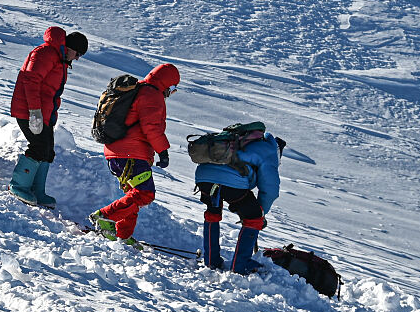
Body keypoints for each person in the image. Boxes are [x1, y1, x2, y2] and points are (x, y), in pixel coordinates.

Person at [89, 63, 180, 248]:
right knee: (144, 194)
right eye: (172, 88)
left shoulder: (137, 88)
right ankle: (105, 217)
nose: (171, 93)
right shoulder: (152, 94)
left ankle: (123, 235)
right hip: (131, 154)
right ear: (166, 83)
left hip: (117, 153)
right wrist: (163, 151)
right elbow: (151, 127)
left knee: (133, 194)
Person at [8, 27, 88, 207]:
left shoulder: (60, 60)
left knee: (47, 150)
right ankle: (19, 185)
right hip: (28, 110)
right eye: (78, 54)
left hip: (42, 113)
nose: (77, 58)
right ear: (70, 47)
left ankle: (37, 191)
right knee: (38, 146)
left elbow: (51, 92)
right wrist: (34, 111)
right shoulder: (46, 53)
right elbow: (30, 80)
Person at [195, 126, 283, 273]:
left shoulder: (241, 140)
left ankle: (211, 261)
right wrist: (261, 214)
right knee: (253, 218)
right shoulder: (270, 152)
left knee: (213, 212)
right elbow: (270, 190)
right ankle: (240, 266)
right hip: (231, 181)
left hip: (204, 177)